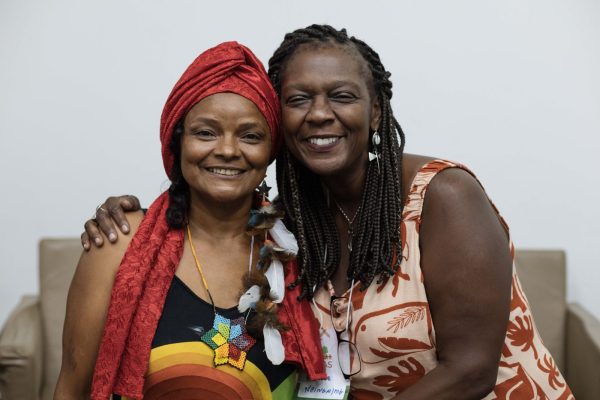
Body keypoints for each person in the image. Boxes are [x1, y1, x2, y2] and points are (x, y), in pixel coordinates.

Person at [83, 25, 573, 399]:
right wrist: (130, 218)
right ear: (278, 119)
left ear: (375, 111)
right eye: (299, 99)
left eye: (341, 96)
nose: (319, 113)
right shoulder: (285, 227)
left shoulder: (443, 196)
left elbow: (471, 371)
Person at [55, 41, 326, 400]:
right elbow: (71, 388)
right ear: (178, 142)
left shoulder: (296, 249)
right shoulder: (120, 241)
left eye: (250, 136)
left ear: (270, 151)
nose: (227, 150)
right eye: (206, 132)